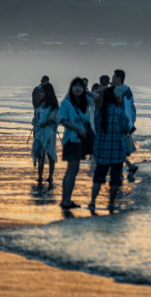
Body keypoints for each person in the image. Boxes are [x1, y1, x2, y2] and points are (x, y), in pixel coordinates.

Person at [89, 85, 131, 212]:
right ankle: (111, 203)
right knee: (115, 180)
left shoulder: (100, 112)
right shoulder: (119, 112)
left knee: (98, 178)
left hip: (102, 150)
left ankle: (92, 202)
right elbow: (127, 128)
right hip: (117, 151)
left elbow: (96, 128)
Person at [58, 77, 91, 210]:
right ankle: (66, 201)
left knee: (72, 170)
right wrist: (78, 129)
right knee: (72, 170)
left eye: (80, 86)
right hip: (71, 140)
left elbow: (98, 99)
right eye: (75, 86)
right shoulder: (66, 103)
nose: (78, 88)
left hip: (79, 141)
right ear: (71, 88)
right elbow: (62, 120)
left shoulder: (82, 102)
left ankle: (66, 200)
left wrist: (86, 92)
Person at [31, 81, 59, 184]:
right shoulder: (39, 105)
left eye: (42, 92)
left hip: (50, 133)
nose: (40, 94)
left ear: (47, 92)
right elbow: (36, 118)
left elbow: (56, 120)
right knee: (40, 154)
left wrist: (46, 123)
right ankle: (40, 176)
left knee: (50, 154)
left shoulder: (53, 106)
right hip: (39, 133)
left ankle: (50, 176)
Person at [112, 69, 138, 176]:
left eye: (114, 77)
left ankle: (126, 168)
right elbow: (132, 107)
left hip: (119, 124)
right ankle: (128, 167)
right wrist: (132, 121)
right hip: (126, 124)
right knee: (118, 148)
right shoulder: (127, 90)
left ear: (119, 78)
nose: (112, 79)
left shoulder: (118, 91)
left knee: (116, 148)